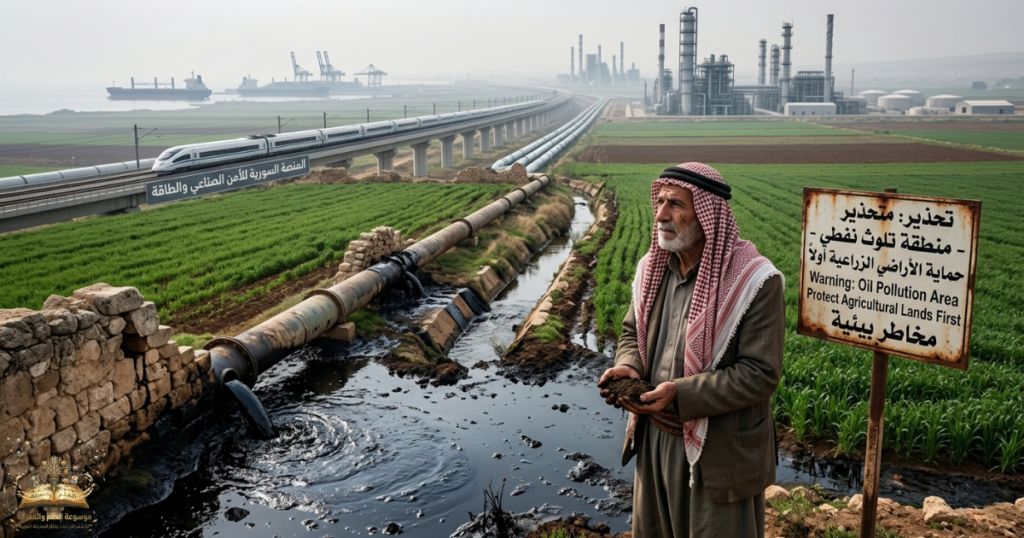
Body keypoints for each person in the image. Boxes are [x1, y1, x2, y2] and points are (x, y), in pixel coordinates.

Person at [598, 162, 785, 538]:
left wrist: (678, 394)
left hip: (719, 452)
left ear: (707, 215)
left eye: (677, 205)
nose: (662, 215)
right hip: (655, 439)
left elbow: (760, 373)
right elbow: (632, 333)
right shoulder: (652, 269)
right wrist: (629, 366)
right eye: (661, 201)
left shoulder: (754, 282)